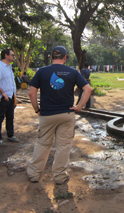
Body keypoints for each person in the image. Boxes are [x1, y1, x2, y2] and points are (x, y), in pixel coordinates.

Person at [27, 46, 92, 184]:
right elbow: (88, 89)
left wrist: (37, 110)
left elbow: (31, 93)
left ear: (51, 57)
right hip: (66, 114)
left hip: (47, 115)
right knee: (63, 146)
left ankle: (34, 174)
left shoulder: (41, 72)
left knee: (43, 144)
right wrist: (79, 106)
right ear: (65, 57)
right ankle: (60, 176)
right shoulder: (72, 72)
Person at [0, 49, 19, 145]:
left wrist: (14, 95)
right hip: (2, 97)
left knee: (10, 116)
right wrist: (3, 93)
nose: (14, 56)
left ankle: (10, 135)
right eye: (12, 55)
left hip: (10, 95)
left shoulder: (9, 67)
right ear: (6, 56)